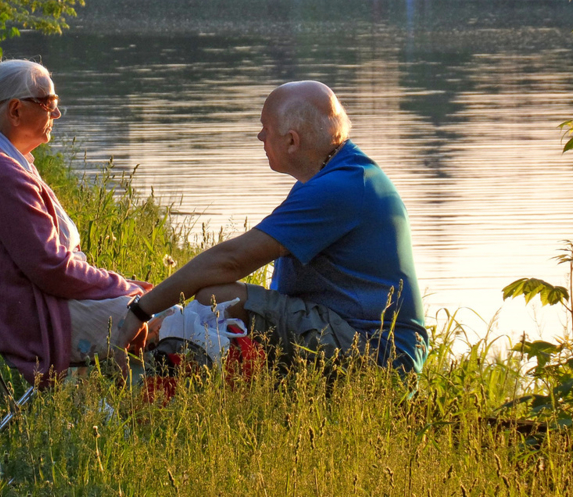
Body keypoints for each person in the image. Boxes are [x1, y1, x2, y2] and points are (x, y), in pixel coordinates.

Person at [112, 81, 428, 374]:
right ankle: (198, 374)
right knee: (210, 306)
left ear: (292, 140)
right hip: (359, 339)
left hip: (382, 359)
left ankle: (162, 377)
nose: (260, 137)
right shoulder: (338, 175)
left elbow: (231, 260)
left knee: (218, 297)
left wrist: (141, 311)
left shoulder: (340, 187)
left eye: (266, 129)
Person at [0, 59, 151, 386]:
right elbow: (52, 268)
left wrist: (122, 288)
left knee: (172, 309)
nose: (55, 115)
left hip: (32, 305)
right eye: (48, 104)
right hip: (34, 319)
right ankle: (159, 415)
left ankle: (130, 409)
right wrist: (124, 287)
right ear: (15, 111)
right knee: (169, 320)